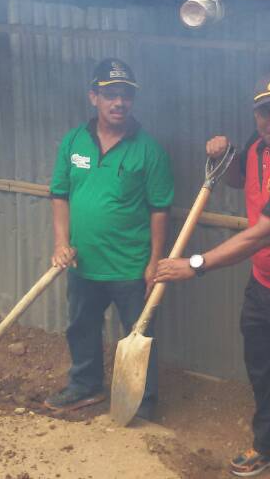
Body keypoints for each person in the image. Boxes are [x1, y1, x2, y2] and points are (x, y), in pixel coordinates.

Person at [154, 73, 270, 478]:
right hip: (264, 285)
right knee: (263, 370)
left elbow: (262, 234)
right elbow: (241, 178)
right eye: (266, 112)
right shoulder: (259, 144)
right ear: (256, 114)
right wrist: (223, 155)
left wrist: (195, 264)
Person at [44, 58, 174, 421]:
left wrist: (155, 261)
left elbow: (159, 208)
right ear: (94, 97)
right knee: (81, 326)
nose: (119, 102)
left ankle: (141, 404)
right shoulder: (73, 142)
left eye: (126, 96)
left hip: (130, 266)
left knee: (139, 337)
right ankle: (85, 386)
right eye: (110, 94)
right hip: (82, 262)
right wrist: (60, 243)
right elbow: (59, 194)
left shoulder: (149, 150)